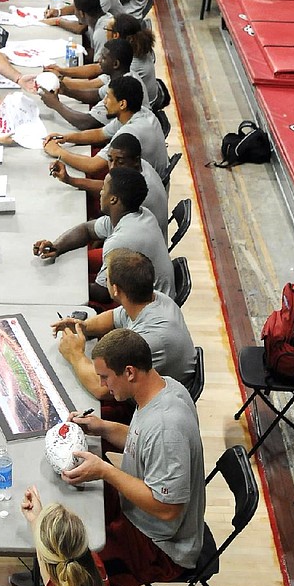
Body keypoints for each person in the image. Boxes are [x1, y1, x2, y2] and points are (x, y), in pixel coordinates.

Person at [62, 329, 205, 586]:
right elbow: (143, 441)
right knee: (68, 504)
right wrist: (101, 427)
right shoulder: (164, 387)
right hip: (136, 513)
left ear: (129, 372)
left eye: (106, 377)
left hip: (158, 546)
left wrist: (105, 471)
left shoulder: (167, 427)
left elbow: (166, 508)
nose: (103, 385)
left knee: (72, 569)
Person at [53, 249, 196, 409]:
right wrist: (81, 326)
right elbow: (113, 317)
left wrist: (75, 354)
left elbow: (101, 388)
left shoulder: (149, 340)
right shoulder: (150, 298)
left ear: (115, 289)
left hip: (161, 405)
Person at [33, 167, 174, 303]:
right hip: (149, 295)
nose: (100, 192)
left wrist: (66, 288)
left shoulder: (122, 240)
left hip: (147, 307)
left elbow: (104, 294)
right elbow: (87, 229)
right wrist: (57, 246)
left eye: (104, 189)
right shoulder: (140, 213)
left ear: (113, 199)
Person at [43, 75, 168, 179]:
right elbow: (100, 133)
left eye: (108, 97)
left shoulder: (131, 132)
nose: (104, 101)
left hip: (141, 195)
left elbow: (92, 166)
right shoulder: (137, 112)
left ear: (122, 104)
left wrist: (58, 152)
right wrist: (65, 138)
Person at [50, 132, 168, 239]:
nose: (112, 167)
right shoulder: (140, 166)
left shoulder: (141, 194)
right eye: (110, 160)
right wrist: (69, 179)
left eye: (120, 162)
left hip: (137, 245)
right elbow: (107, 187)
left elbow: (104, 228)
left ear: (135, 161)